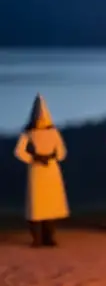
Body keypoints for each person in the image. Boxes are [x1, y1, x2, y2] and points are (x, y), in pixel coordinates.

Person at [13, 94, 69, 247]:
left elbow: (62, 152)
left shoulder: (52, 133)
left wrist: (51, 157)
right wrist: (34, 158)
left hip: (50, 170)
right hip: (37, 171)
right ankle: (38, 238)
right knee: (37, 205)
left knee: (49, 203)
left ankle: (48, 237)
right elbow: (19, 151)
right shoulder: (28, 133)